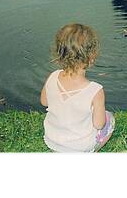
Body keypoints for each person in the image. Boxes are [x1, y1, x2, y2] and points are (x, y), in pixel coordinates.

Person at [41, 23, 115, 152]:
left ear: (60, 53)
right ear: (92, 57)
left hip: (52, 140)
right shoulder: (95, 90)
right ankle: (92, 149)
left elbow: (44, 101)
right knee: (110, 118)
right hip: (80, 147)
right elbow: (99, 124)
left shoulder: (53, 76)